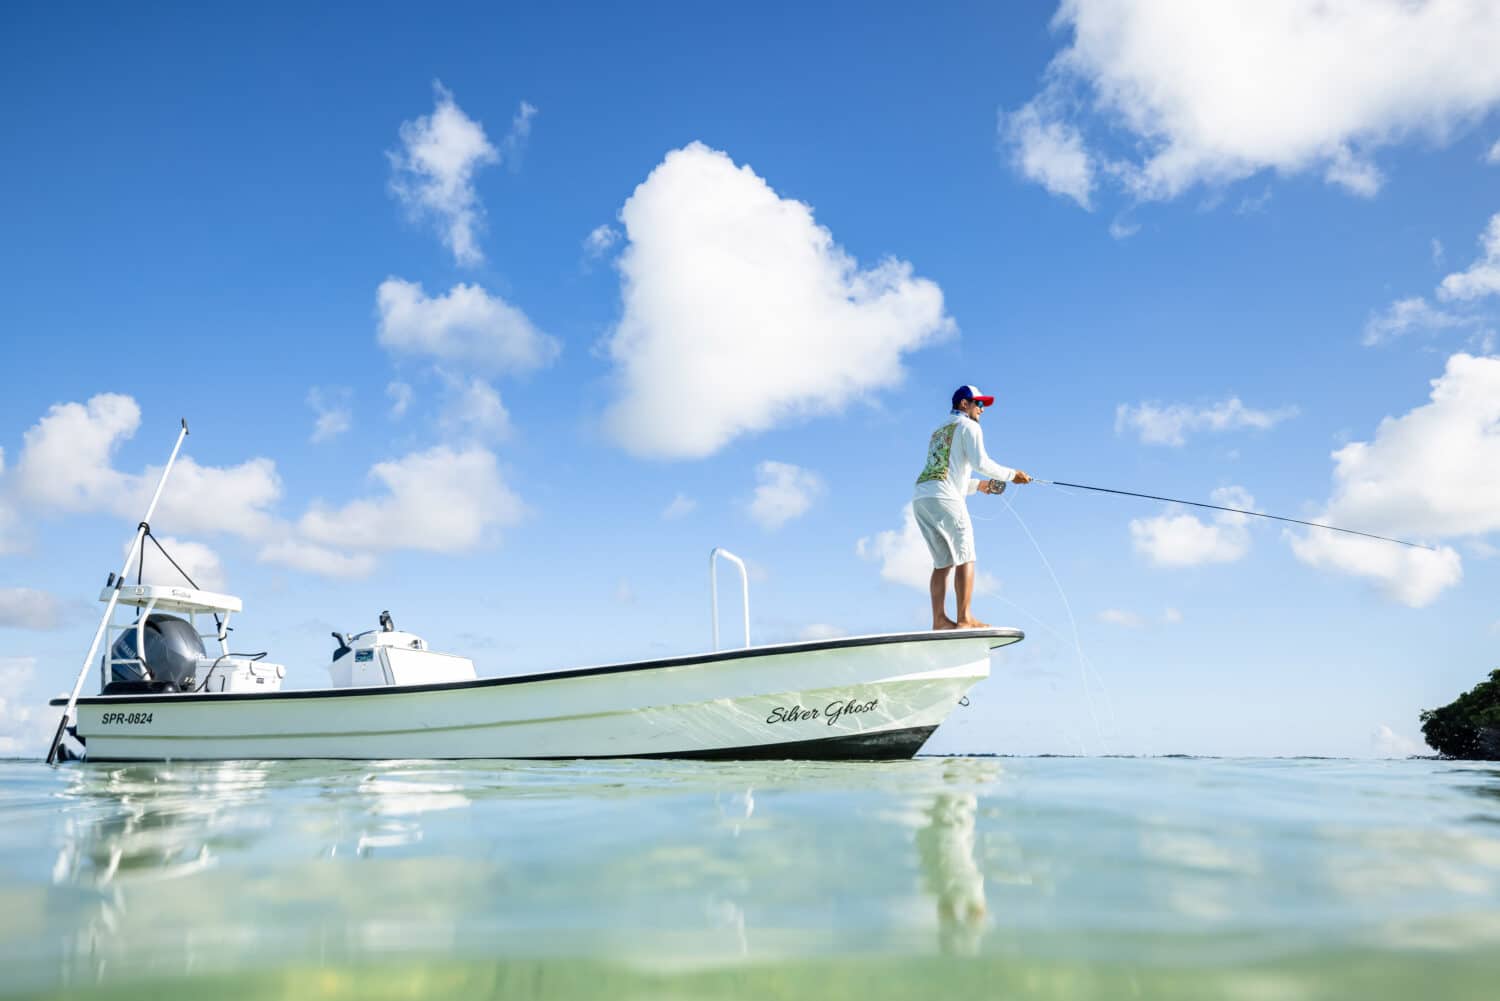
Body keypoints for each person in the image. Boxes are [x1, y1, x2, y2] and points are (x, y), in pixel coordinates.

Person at [913, 385, 1031, 630]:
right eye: (979, 403)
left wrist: (979, 485)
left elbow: (944, 474)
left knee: (942, 562)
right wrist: (1013, 475)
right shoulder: (970, 426)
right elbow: (981, 463)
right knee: (966, 555)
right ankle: (965, 618)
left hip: (922, 498)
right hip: (946, 498)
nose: (982, 409)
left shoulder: (938, 431)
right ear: (963, 404)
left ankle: (939, 620)